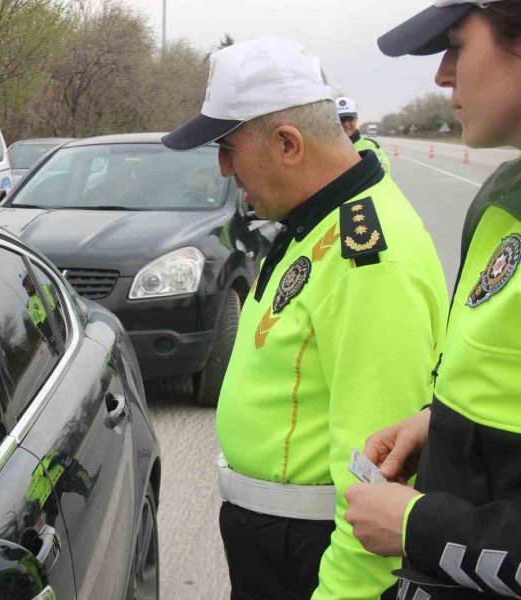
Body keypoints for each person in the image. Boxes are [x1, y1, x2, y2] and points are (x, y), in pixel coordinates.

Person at [162, 37, 448, 599]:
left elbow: (376, 481)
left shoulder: (368, 256)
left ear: (288, 144)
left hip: (311, 552)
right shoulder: (320, 217)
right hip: (278, 539)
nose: (224, 169)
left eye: (229, 148)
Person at [344, 2, 521, 598]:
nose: (443, 74)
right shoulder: (505, 193)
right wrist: (441, 426)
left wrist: (422, 526)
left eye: (457, 45)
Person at [336, 97, 392, 173]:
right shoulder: (325, 149)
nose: (346, 124)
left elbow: (383, 174)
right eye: (341, 120)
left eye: (350, 119)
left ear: (356, 119)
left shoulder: (371, 146)